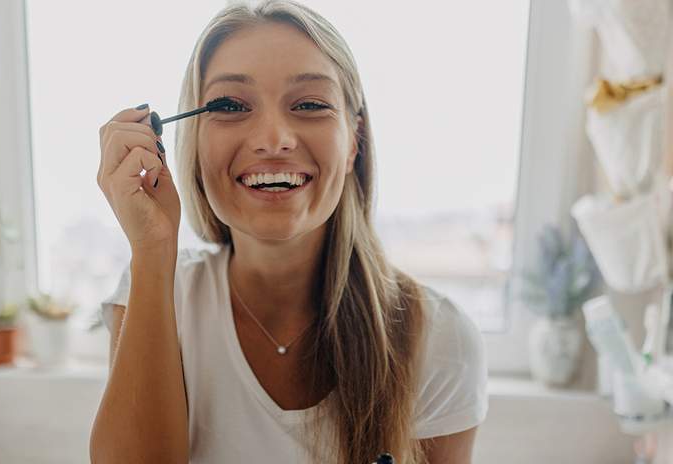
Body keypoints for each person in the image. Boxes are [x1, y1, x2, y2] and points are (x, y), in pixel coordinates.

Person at [90, 1, 487, 463]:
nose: (273, 138)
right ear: (191, 141)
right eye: (231, 106)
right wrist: (152, 251)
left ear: (354, 138)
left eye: (310, 105)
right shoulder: (155, 292)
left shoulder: (439, 338)